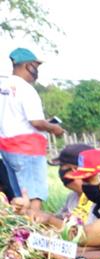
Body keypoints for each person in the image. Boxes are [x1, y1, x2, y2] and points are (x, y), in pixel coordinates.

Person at [0, 48, 64, 213]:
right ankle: (32, 232)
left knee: (19, 197)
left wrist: (44, 123)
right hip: (27, 150)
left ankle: (20, 233)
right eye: (35, 66)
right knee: (33, 197)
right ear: (27, 65)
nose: (37, 71)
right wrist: (54, 128)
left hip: (7, 148)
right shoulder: (26, 89)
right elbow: (35, 122)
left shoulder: (3, 87)